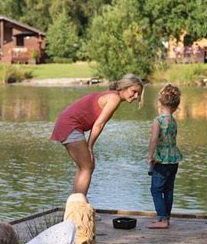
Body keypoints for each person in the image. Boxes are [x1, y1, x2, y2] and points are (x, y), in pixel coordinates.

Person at [51, 74, 145, 195]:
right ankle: (78, 205)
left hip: (67, 123)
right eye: (134, 91)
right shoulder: (114, 98)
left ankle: (75, 203)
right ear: (125, 86)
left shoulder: (112, 96)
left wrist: (89, 147)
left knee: (84, 167)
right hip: (70, 125)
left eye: (138, 94)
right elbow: (99, 124)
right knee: (87, 167)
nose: (136, 96)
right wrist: (89, 148)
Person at [146, 84, 183, 229]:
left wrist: (150, 156)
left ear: (159, 103)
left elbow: (154, 139)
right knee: (168, 189)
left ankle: (162, 220)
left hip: (161, 159)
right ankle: (166, 217)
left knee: (156, 190)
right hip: (173, 159)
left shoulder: (158, 120)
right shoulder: (173, 121)